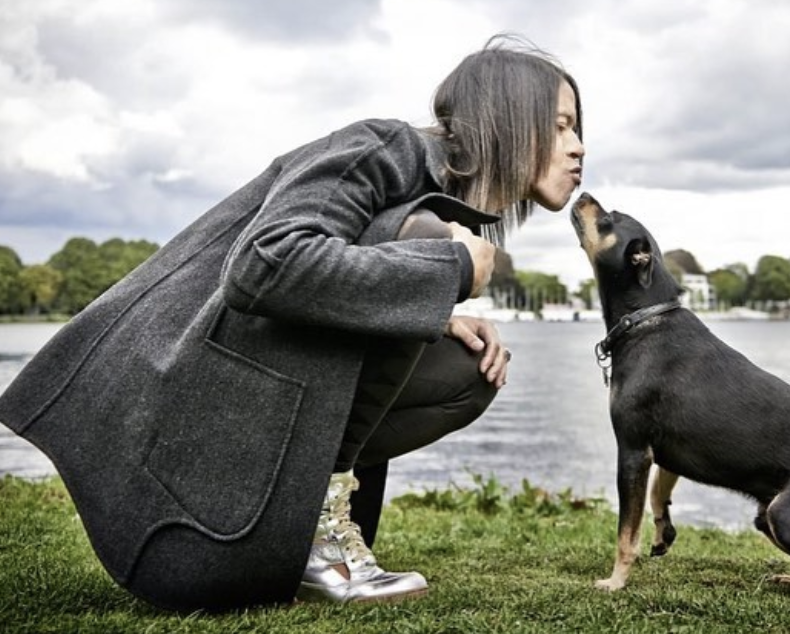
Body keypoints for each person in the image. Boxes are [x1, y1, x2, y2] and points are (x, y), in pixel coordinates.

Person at [0, 34, 584, 611]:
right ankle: (321, 540)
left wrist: (434, 309)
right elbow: (263, 263)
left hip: (234, 527)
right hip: (178, 460)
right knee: (424, 246)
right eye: (560, 126)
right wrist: (444, 269)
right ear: (509, 116)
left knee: (470, 369)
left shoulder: (436, 198)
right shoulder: (385, 147)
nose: (578, 146)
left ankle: (310, 526)